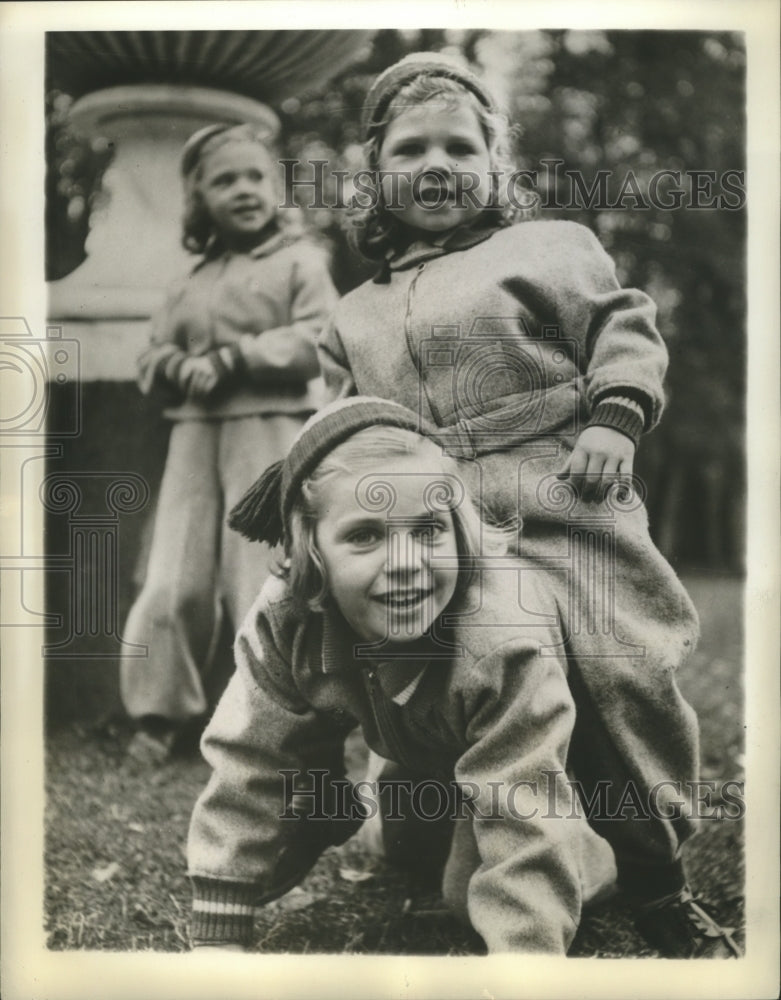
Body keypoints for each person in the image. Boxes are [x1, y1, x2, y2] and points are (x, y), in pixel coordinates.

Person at [316, 53, 741, 958]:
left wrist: (615, 420)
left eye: (461, 149)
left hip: (563, 492)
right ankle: (434, 847)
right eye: (411, 149)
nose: (437, 165)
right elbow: (337, 425)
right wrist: (308, 510)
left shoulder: (549, 246)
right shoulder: (354, 311)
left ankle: (654, 876)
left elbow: (623, 327)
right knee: (449, 677)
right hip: (439, 529)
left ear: (496, 168)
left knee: (617, 675)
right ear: (376, 175)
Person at [187, 396, 618, 955]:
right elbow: (247, 753)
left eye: (428, 530)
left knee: (475, 892)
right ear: (308, 546)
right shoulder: (287, 614)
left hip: (536, 760)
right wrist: (220, 930)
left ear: (459, 529)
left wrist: (525, 961)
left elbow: (524, 806)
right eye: (365, 535)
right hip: (416, 740)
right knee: (396, 846)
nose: (406, 564)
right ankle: (373, 800)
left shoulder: (503, 639)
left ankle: (602, 854)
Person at [120, 123, 337, 761]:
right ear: (200, 199)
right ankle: (159, 713)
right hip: (193, 434)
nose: (243, 190)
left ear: (275, 187)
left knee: (262, 573)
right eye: (224, 180)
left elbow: (322, 336)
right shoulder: (191, 278)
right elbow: (151, 354)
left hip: (269, 428)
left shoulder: (300, 260)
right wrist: (173, 366)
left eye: (255, 177)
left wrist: (235, 358)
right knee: (175, 576)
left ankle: (278, 717)